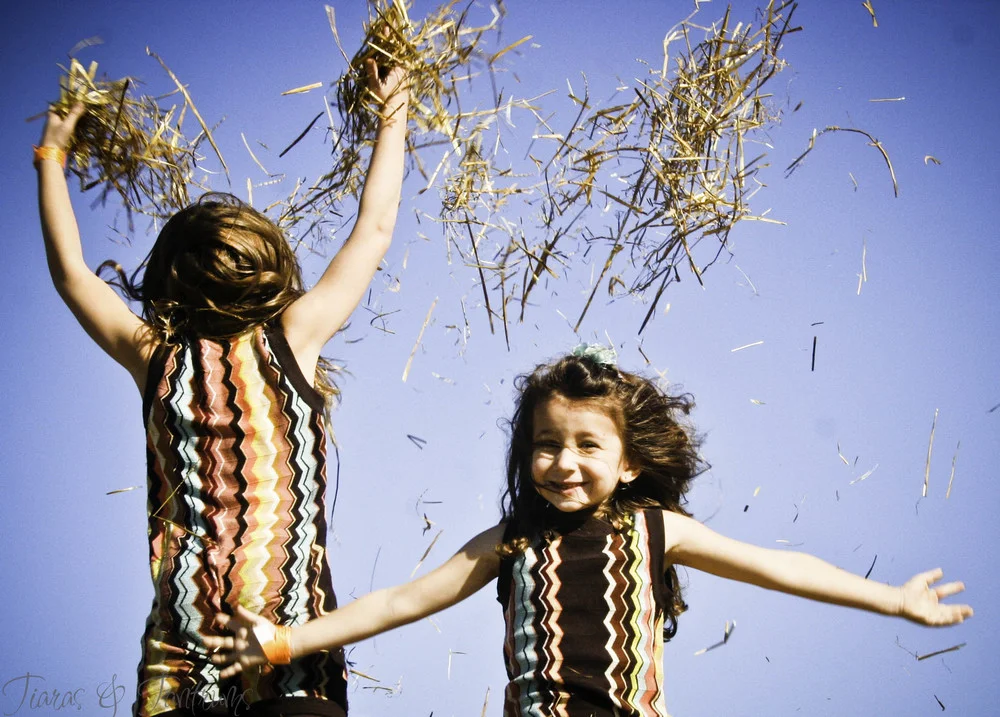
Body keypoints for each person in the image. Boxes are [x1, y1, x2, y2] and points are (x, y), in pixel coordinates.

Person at [205, 348, 973, 717]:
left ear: (629, 461)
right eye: (546, 444)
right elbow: (401, 601)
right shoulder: (510, 541)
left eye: (587, 445)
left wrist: (892, 598)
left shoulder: (654, 528)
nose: (563, 462)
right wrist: (285, 641)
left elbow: (781, 566)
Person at [35, 59, 409, 717]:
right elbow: (373, 230)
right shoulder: (205, 349)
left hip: (288, 646)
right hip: (192, 655)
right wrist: (393, 112)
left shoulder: (245, 345)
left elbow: (72, 275)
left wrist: (51, 157)